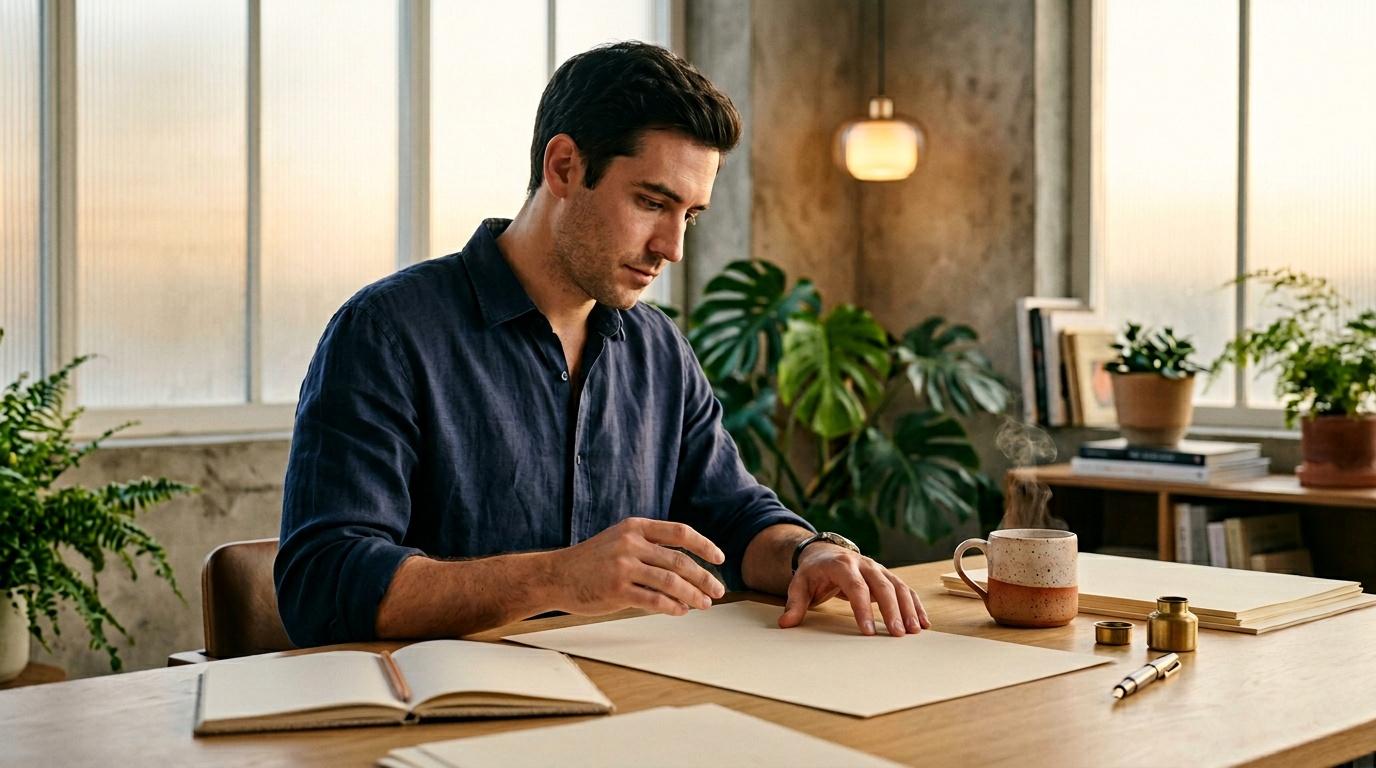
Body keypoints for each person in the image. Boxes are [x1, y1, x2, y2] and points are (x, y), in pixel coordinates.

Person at [274, 41, 929, 647]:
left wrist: (805, 551)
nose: (671, 249)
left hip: (628, 705)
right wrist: (556, 578)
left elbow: (733, 515)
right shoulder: (387, 331)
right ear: (564, 166)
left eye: (689, 216)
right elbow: (324, 584)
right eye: (651, 202)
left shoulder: (659, 349)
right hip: (438, 724)